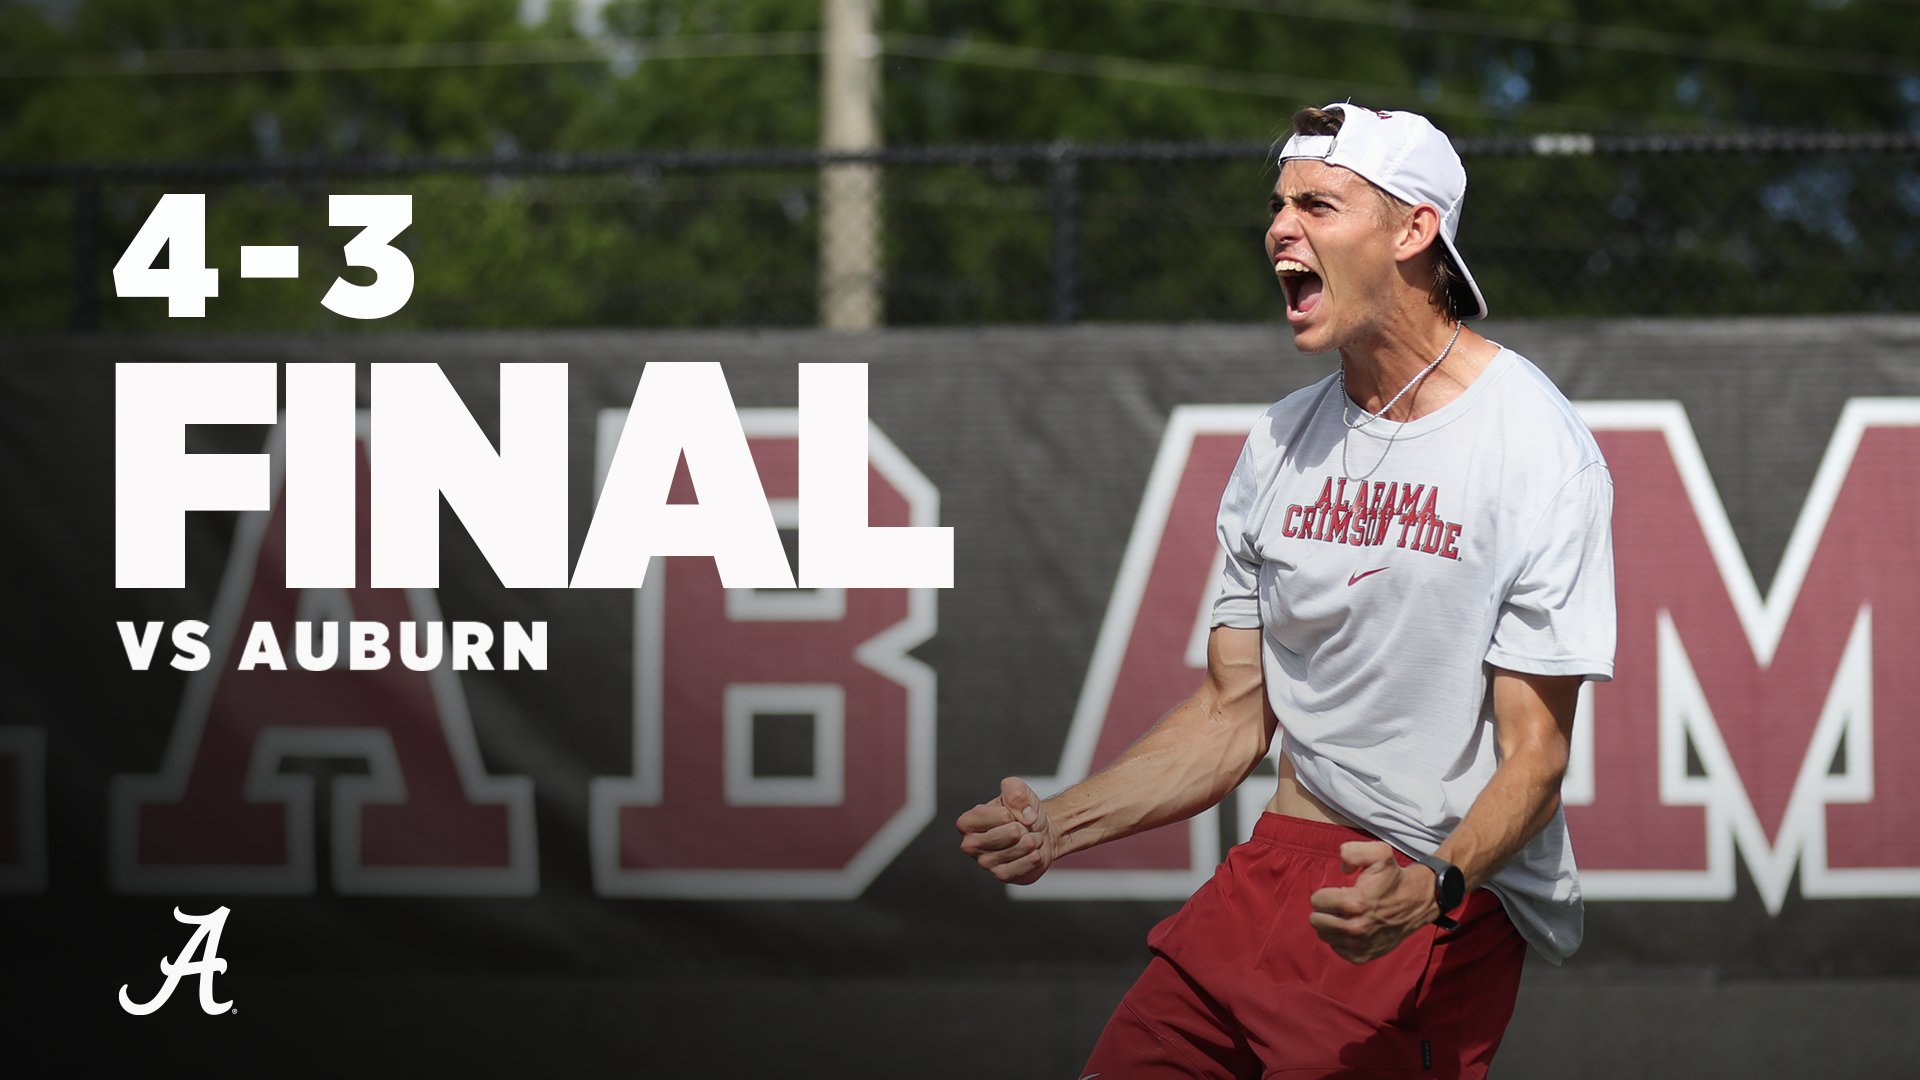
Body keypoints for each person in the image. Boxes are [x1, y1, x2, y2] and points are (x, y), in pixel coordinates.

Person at [956, 102, 1616, 1078]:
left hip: (1413, 905)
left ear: (1414, 230)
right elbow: (1233, 714)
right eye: (1277, 204)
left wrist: (1432, 890)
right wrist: (1062, 822)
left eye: (1317, 204)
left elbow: (1536, 755)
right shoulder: (1276, 443)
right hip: (1264, 880)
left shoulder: (1538, 448)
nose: (1279, 228)